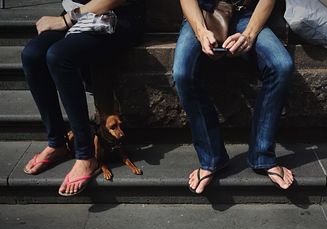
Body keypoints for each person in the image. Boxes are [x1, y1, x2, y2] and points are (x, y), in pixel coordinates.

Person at [22, 0, 145, 196]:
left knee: (59, 56)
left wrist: (66, 19)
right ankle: (57, 142)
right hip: (78, 15)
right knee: (31, 55)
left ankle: (86, 155)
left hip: (115, 17)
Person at [172, 0, 295, 194]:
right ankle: (211, 158)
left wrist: (249, 35)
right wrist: (201, 32)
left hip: (246, 15)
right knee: (182, 73)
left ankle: (262, 154)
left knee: (281, 66)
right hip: (203, 14)